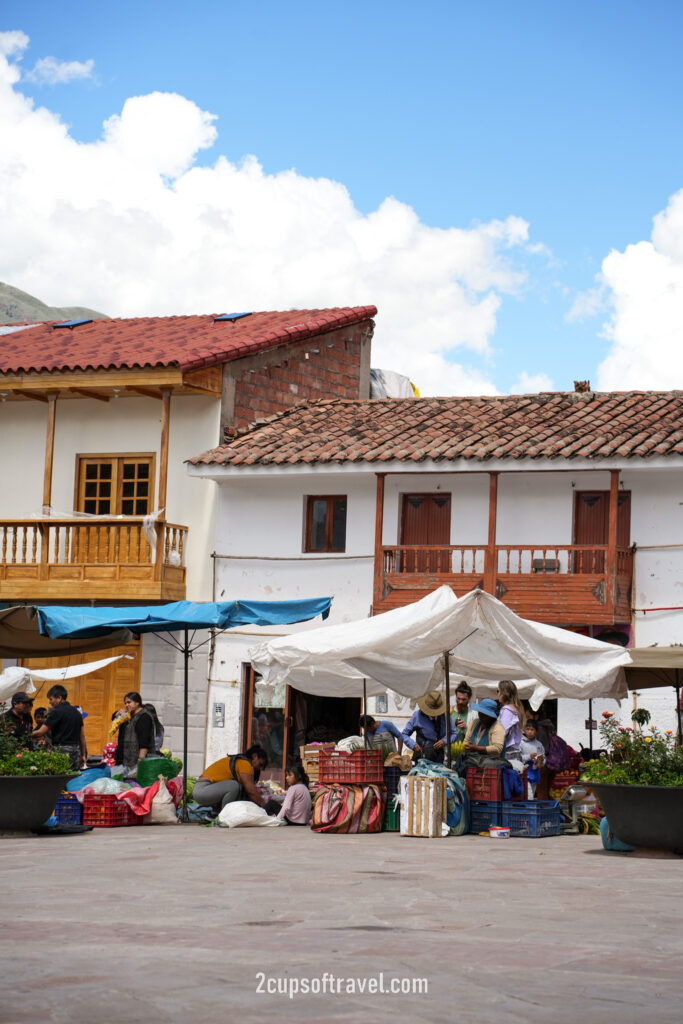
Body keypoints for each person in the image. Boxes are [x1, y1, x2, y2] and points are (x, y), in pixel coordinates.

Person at [193, 745, 268, 811]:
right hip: (202, 790)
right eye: (260, 764)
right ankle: (224, 815)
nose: (259, 768)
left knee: (239, 790)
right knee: (235, 786)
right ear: (254, 756)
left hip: (203, 791)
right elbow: (251, 791)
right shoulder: (245, 764)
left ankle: (214, 813)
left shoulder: (240, 761)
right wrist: (265, 807)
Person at [31, 684, 86, 769]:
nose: (50, 702)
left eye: (51, 699)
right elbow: (82, 737)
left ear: (59, 698)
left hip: (61, 752)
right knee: (72, 778)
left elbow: (40, 733)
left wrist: (26, 735)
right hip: (76, 752)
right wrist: (83, 755)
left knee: (60, 778)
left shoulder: (56, 713)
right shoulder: (77, 713)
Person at [114, 692, 158, 774]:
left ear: (137, 702)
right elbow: (114, 720)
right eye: (125, 703)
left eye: (129, 702)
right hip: (123, 760)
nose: (127, 705)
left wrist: (140, 760)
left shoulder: (144, 717)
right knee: (118, 784)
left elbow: (144, 740)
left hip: (135, 763)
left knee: (133, 785)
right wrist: (118, 715)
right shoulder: (129, 716)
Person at [401, 691, 450, 763]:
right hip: (422, 757)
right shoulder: (417, 716)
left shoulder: (443, 716)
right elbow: (404, 734)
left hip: (439, 758)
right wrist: (413, 745)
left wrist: (444, 741)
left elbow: (451, 734)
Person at [497, 679, 526, 770]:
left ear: (504, 693)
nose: (497, 694)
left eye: (498, 691)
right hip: (515, 751)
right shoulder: (516, 709)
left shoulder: (507, 710)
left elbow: (503, 732)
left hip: (507, 751)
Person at [520, 719, 545, 798]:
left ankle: (527, 809)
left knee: (532, 794)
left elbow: (543, 758)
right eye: (527, 729)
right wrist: (529, 757)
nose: (530, 732)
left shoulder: (539, 744)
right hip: (524, 773)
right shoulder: (521, 743)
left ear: (536, 732)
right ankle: (529, 809)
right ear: (524, 730)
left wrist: (539, 762)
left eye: (532, 729)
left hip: (535, 773)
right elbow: (518, 758)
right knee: (529, 796)